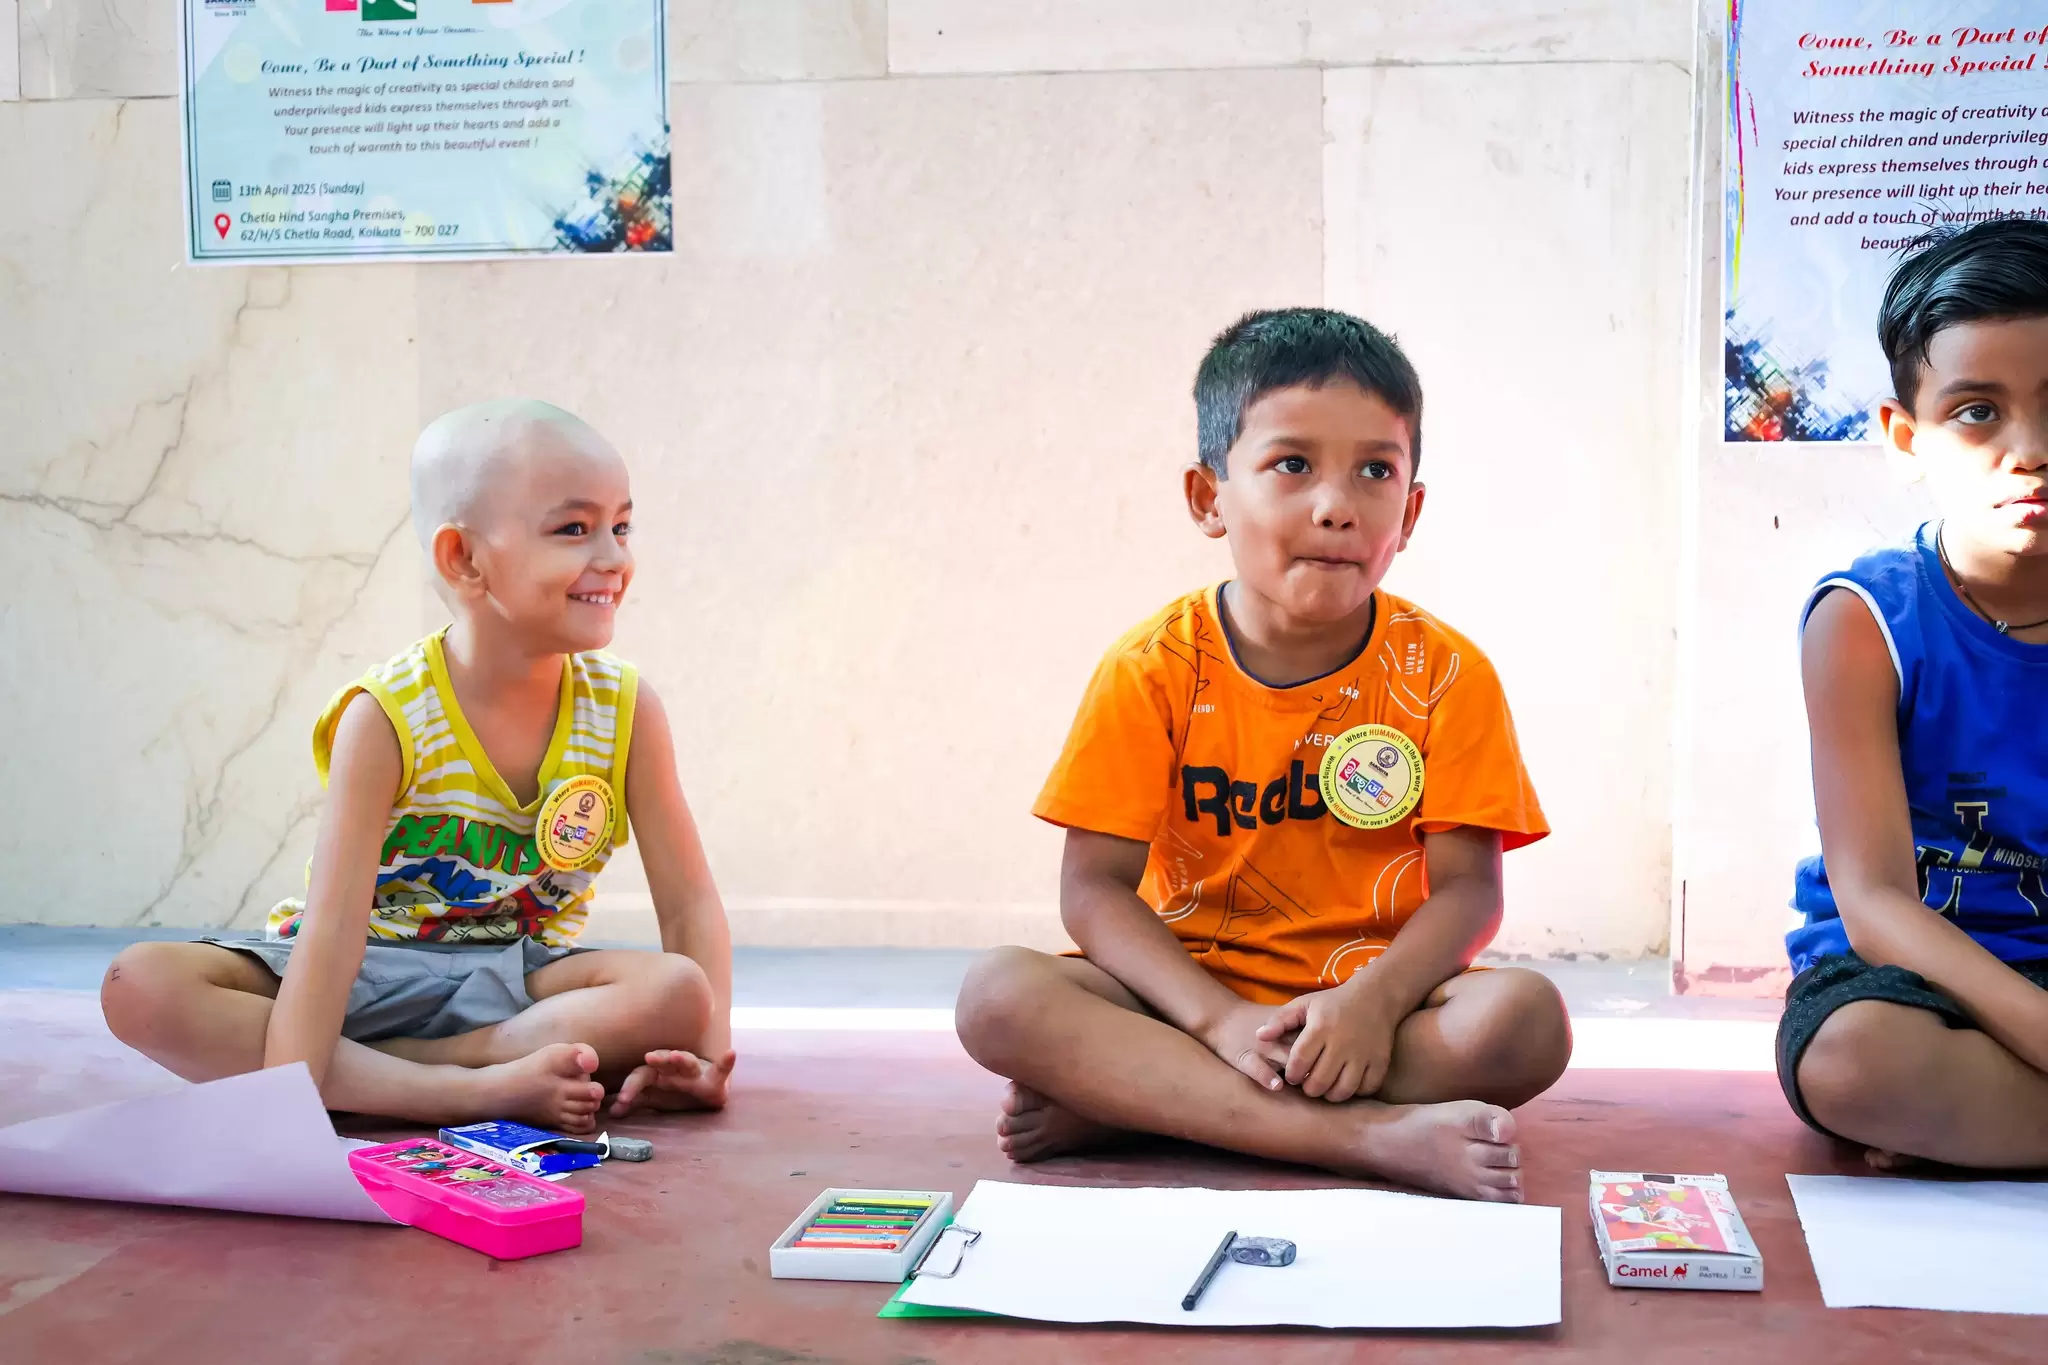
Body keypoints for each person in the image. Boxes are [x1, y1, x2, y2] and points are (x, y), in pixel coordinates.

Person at [955, 308, 1570, 1201]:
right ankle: (1369, 1138)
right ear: (1208, 498)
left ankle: (1146, 1101)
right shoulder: (1153, 668)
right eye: (1292, 464)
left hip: (1373, 1013)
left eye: (1375, 470)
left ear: (1411, 511)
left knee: (1525, 1021)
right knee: (996, 996)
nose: (1336, 505)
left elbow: (1469, 892)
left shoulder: (1446, 675)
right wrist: (1218, 1020)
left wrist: (1373, 1002)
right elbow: (1093, 891)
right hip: (1183, 999)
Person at [101, 400, 735, 1133]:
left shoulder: (625, 710)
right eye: (574, 529)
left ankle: (390, 1072)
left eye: (620, 527)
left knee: (677, 992)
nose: (615, 558)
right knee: (139, 983)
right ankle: (466, 1088)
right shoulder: (385, 717)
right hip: (361, 972)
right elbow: (333, 929)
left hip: (513, 983)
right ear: (463, 558)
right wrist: (288, 1098)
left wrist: (704, 1056)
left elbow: (688, 905)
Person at [1780, 219, 2048, 1170]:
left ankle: (1984, 1127)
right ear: (1906, 437)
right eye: (1978, 412)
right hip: (1907, 971)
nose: (2030, 450)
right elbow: (1873, 898)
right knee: (1854, 1063)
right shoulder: (1865, 621)